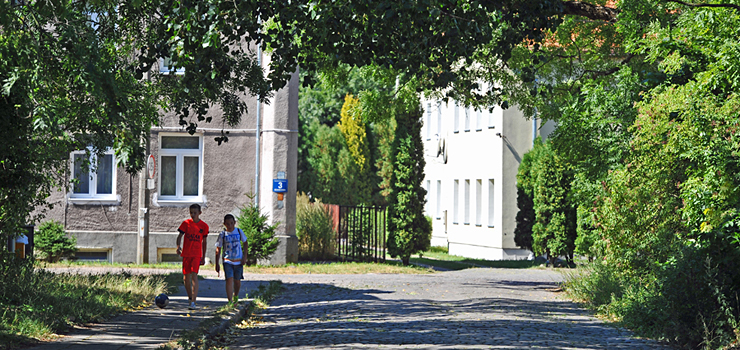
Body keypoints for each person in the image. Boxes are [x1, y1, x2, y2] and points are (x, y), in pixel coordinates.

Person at [176, 204, 209, 310]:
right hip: (186, 254)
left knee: (194, 276)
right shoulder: (186, 223)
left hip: (196, 254)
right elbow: (180, 236)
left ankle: (194, 301)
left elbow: (204, 242)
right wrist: (178, 246)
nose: (193, 215)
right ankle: (190, 297)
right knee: (186, 278)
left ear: (200, 213)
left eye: (195, 213)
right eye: (191, 213)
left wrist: (203, 256)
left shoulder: (204, 226)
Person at [214, 214, 248, 303]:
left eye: (232, 223)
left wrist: (244, 257)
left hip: (238, 261)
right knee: (229, 279)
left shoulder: (239, 232)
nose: (230, 226)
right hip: (227, 261)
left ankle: (235, 296)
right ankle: (230, 301)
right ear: (224, 224)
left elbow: (245, 243)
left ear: (235, 223)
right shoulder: (223, 234)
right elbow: (218, 248)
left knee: (237, 281)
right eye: (228, 224)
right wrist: (216, 263)